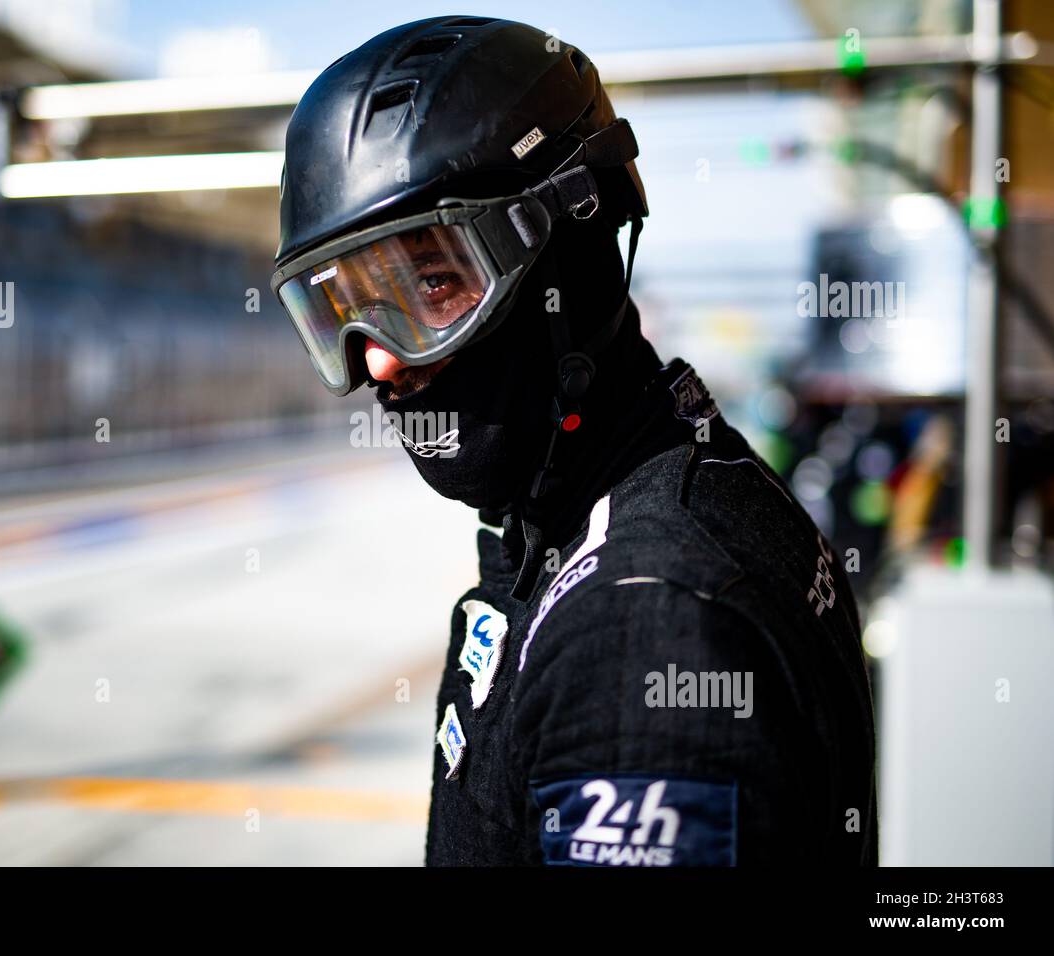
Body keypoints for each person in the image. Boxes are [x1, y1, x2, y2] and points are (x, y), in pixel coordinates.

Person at [270, 16, 877, 865]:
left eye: (434, 282)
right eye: (342, 307)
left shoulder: (643, 629)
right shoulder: (662, 473)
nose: (376, 356)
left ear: (573, 250)